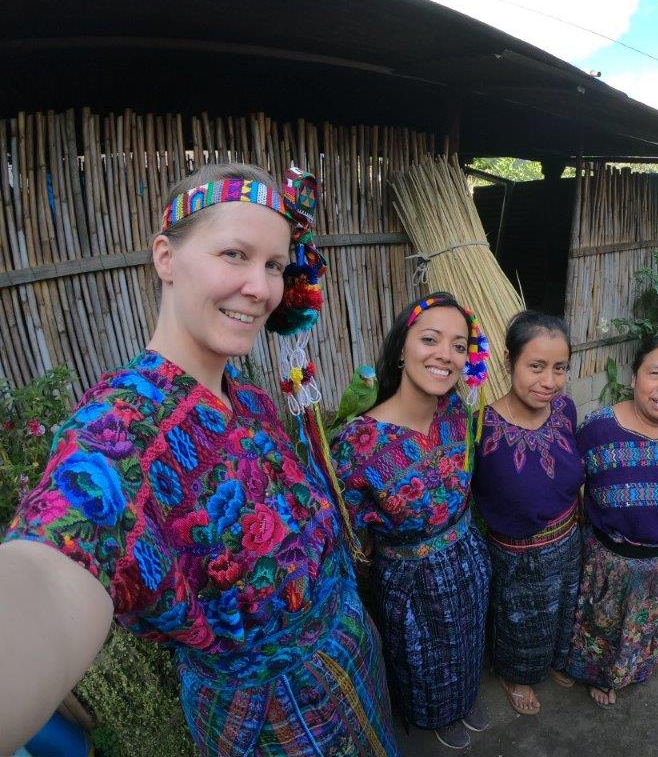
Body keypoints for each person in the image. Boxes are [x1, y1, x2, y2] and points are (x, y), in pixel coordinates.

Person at [0, 163, 398, 756]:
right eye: (234, 254)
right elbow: (53, 567)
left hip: (354, 675)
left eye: (273, 266)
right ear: (165, 256)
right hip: (279, 727)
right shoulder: (123, 433)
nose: (262, 289)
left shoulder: (252, 400)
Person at [332, 292, 492, 751]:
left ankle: (462, 701)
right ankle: (434, 719)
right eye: (430, 339)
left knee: (466, 642)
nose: (446, 354)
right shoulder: (357, 443)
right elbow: (348, 538)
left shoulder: (459, 415)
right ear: (402, 349)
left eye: (459, 346)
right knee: (422, 661)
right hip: (409, 582)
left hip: (468, 557)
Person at [566, 334, 658, 708]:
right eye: (655, 373)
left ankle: (634, 670)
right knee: (602, 629)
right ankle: (603, 676)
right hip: (610, 563)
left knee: (649, 630)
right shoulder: (597, 429)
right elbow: (572, 488)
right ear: (634, 378)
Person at [472, 311, 584, 716]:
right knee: (520, 622)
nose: (549, 381)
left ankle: (553, 660)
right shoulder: (480, 428)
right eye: (536, 366)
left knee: (562, 610)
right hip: (515, 556)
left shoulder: (565, 410)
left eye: (559, 368)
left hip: (569, 542)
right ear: (509, 361)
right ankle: (515, 674)